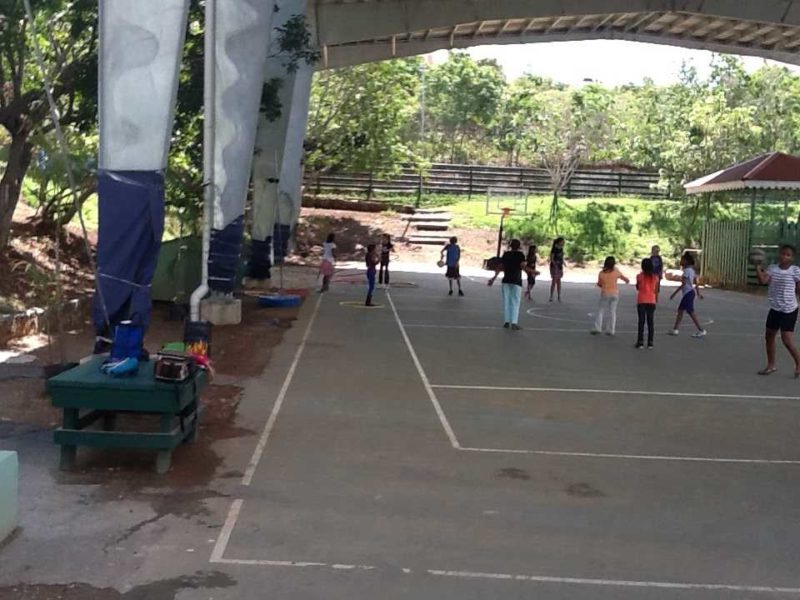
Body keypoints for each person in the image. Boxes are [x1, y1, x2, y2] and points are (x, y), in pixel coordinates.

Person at [755, 244, 800, 376]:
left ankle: (798, 363)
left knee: (786, 339)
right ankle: (771, 365)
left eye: (788, 255)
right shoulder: (772, 269)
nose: (784, 256)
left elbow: (798, 288)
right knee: (769, 336)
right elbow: (763, 280)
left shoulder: (795, 270)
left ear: (792, 258)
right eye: (782, 253)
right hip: (775, 308)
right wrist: (757, 266)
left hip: (789, 309)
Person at [488, 239, 530, 330]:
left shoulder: (506, 254)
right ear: (519, 246)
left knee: (507, 301)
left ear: (510, 246)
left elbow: (500, 266)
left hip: (506, 280)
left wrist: (493, 278)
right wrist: (531, 272)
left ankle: (506, 322)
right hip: (516, 280)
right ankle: (514, 322)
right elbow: (523, 266)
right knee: (515, 302)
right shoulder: (520, 255)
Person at [668, 252, 706, 337]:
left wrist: (674, 293)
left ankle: (701, 330)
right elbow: (696, 283)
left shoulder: (686, 271)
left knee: (690, 312)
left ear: (686, 261)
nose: (681, 261)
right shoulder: (692, 271)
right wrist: (698, 293)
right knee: (680, 311)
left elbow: (684, 284)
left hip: (688, 293)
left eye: (682, 260)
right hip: (689, 293)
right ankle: (675, 329)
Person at [592, 256, 630, 336]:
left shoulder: (601, 273)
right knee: (612, 311)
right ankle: (611, 330)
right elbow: (625, 279)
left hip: (605, 293)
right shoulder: (616, 271)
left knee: (600, 310)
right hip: (615, 293)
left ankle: (598, 328)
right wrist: (626, 280)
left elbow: (599, 284)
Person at [635, 258, 659, 349]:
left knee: (641, 321)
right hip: (651, 300)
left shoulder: (639, 276)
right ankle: (650, 342)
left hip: (642, 300)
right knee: (650, 322)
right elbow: (656, 290)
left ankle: (640, 342)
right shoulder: (655, 277)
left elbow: (638, 287)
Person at [549, 237, 565, 302]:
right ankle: (551, 296)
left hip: (560, 266)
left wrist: (563, 262)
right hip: (554, 266)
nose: (564, 243)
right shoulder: (554, 249)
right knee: (554, 281)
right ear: (559, 242)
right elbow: (552, 258)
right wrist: (555, 265)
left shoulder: (561, 249)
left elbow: (561, 257)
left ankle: (559, 296)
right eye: (562, 241)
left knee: (559, 281)